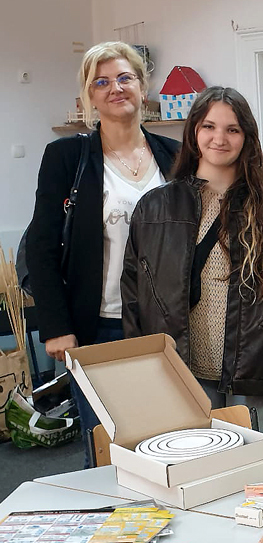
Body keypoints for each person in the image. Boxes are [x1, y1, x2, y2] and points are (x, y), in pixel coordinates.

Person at [121, 86, 263, 433]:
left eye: (232, 129)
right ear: (194, 131)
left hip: (255, 373)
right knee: (192, 474)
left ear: (247, 138)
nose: (219, 138)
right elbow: (135, 294)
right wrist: (139, 369)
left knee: (254, 477)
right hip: (179, 371)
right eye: (209, 126)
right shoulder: (154, 208)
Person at [26, 41, 179, 466]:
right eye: (102, 82)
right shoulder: (67, 157)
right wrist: (56, 325)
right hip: (98, 327)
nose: (116, 88)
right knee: (108, 446)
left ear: (142, 86)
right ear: (90, 96)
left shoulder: (173, 156)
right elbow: (40, 244)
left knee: (168, 441)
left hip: (164, 327)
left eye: (125, 78)